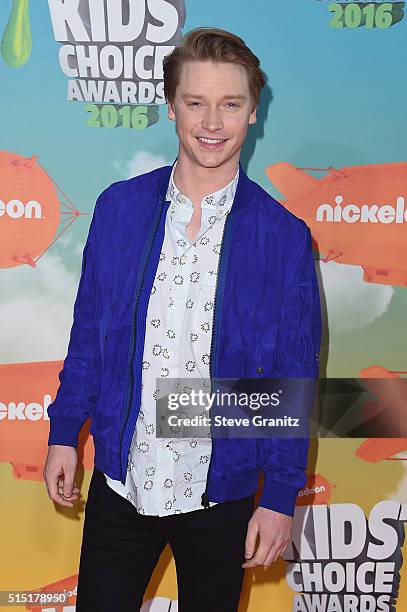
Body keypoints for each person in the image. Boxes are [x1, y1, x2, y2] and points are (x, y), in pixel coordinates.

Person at [43, 27, 322, 612]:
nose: (212, 122)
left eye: (230, 104)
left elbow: (293, 380)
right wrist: (65, 432)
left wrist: (278, 499)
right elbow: (90, 334)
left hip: (223, 493)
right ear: (172, 107)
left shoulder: (285, 239)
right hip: (124, 483)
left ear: (253, 113)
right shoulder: (119, 208)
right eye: (196, 102)